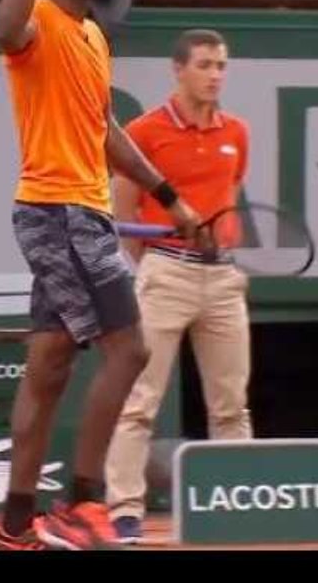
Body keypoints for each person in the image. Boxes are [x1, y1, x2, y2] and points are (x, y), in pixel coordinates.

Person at [0, 0, 201, 551]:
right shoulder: (39, 23)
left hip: (78, 209)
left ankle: (15, 526)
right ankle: (82, 504)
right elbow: (3, 28)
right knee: (130, 350)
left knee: (49, 365)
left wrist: (169, 196)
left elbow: (104, 132)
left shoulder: (91, 37)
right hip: (60, 211)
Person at [104, 29, 252, 544]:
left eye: (221, 65)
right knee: (140, 401)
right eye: (205, 65)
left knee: (231, 405)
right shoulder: (144, 133)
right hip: (166, 273)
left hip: (224, 277)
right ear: (179, 70)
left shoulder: (238, 131)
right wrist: (154, 264)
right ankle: (125, 512)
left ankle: (237, 507)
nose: (215, 75)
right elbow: (123, 210)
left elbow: (229, 195)